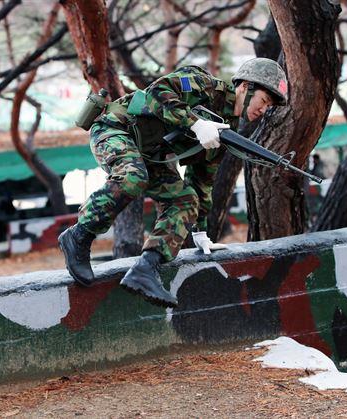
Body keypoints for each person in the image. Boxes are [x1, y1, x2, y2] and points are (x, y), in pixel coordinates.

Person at [59, 58, 289, 308]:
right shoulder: (204, 85)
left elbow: (202, 178)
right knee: (132, 177)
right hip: (117, 128)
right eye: (264, 101)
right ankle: (79, 236)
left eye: (269, 107)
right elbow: (157, 92)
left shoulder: (226, 129)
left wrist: (201, 231)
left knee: (185, 200)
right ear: (245, 87)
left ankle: (146, 269)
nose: (264, 110)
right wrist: (196, 123)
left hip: (151, 155)